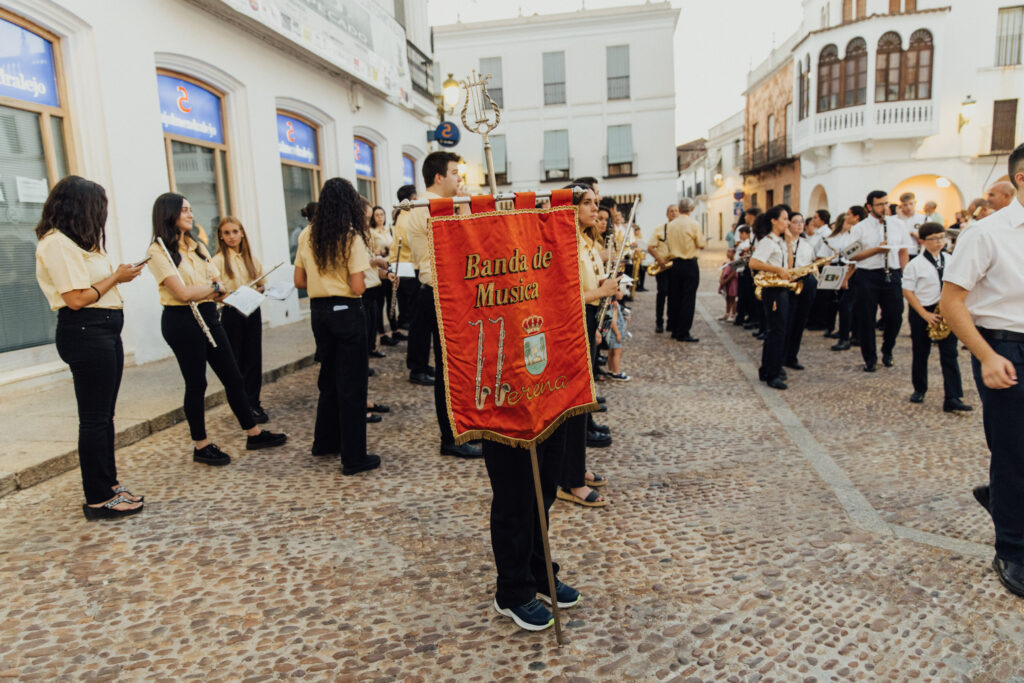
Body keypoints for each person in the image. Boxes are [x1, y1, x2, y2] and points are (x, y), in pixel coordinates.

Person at [34, 176, 146, 519]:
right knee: (95, 419)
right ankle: (97, 499)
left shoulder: (78, 244)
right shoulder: (56, 244)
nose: (102, 217)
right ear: (78, 208)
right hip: (85, 331)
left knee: (104, 416)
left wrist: (114, 275)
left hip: (103, 331)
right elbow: (77, 298)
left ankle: (108, 484)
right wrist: (116, 277)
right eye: (98, 209)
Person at [941, 143, 1024, 599]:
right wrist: (988, 357)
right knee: (1014, 452)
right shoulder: (986, 234)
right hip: (1006, 348)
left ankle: (1002, 500)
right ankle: (1012, 549)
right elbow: (951, 303)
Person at [148, 193, 287, 466]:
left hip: (210, 315)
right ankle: (201, 445)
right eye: (184, 210)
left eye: (190, 209)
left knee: (234, 377)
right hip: (182, 321)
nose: (190, 214)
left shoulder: (197, 246)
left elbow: (219, 286)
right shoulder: (158, 250)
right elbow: (183, 292)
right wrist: (211, 289)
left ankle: (253, 433)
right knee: (196, 383)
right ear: (169, 214)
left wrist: (215, 290)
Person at [293, 177, 379, 475]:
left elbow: (299, 281)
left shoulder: (308, 234)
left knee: (328, 379)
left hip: (319, 313)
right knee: (352, 385)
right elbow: (357, 287)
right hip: (347, 312)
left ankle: (325, 442)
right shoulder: (351, 237)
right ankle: (354, 457)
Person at [405, 151, 482, 458]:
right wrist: (464, 207)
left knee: (457, 367)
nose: (459, 179)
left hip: (450, 292)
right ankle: (451, 437)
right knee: (449, 370)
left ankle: (463, 428)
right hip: (438, 292)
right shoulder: (427, 208)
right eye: (454, 173)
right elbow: (465, 242)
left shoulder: (438, 206)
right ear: (439, 177)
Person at [558, 184, 620, 507]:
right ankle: (568, 481)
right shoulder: (565, 243)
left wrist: (606, 290)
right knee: (575, 404)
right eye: (588, 203)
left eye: (596, 203)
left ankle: (575, 468)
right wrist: (599, 292)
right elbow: (563, 297)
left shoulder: (584, 239)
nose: (596, 209)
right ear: (571, 207)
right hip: (573, 322)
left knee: (583, 402)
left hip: (587, 320)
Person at [485, 424, 580, 632]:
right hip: (507, 407)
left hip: (547, 400)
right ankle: (513, 590)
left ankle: (539, 572)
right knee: (514, 496)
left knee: (543, 493)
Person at [901, 223, 971, 411]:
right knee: (921, 352)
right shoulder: (914, 264)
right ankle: (920, 389)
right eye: (934, 239)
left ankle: (953, 397)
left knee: (950, 354)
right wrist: (925, 314)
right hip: (923, 310)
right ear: (922, 241)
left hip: (946, 310)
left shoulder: (950, 259)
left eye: (942, 237)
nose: (940, 242)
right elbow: (907, 291)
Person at [847, 190, 910, 372]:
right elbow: (851, 255)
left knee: (895, 315)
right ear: (869, 207)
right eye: (879, 204)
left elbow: (903, 251)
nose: (884, 207)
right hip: (867, 275)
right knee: (866, 318)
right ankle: (870, 358)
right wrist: (875, 250)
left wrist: (904, 273)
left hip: (892, 273)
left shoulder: (898, 224)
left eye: (886, 203)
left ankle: (887, 350)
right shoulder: (860, 228)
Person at [212, 216, 267, 423]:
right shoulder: (217, 261)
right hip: (232, 314)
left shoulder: (250, 258)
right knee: (237, 360)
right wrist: (234, 297)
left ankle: (254, 403)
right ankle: (243, 406)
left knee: (254, 358)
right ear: (221, 236)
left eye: (235, 231)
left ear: (242, 233)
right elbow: (215, 292)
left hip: (252, 311)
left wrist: (259, 289)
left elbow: (262, 282)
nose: (232, 236)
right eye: (227, 233)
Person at [748, 205, 792, 390]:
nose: (787, 222)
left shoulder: (780, 242)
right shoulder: (767, 242)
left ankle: (768, 368)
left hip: (780, 288)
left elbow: (788, 267)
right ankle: (772, 374)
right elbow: (754, 262)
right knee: (777, 331)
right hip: (772, 291)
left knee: (779, 329)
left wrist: (789, 244)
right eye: (784, 219)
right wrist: (776, 269)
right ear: (774, 221)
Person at [665, 197, 706, 343]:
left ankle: (675, 329)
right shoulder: (693, 224)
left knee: (675, 298)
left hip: (675, 264)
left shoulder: (671, 225)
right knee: (688, 299)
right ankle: (683, 331)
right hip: (689, 263)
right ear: (692, 209)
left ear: (679, 208)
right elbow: (701, 244)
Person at [784, 212, 817, 371]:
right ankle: (781, 356)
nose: (799, 225)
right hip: (788, 282)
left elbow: (811, 262)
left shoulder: (807, 244)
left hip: (805, 282)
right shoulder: (782, 243)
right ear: (789, 224)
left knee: (800, 321)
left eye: (801, 222)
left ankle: (792, 356)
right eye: (795, 222)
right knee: (787, 321)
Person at [827, 208, 863, 351]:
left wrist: (846, 278)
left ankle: (845, 338)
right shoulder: (851, 233)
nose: (846, 216)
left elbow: (853, 259)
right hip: (847, 269)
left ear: (856, 217)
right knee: (849, 305)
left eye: (849, 214)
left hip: (854, 272)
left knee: (846, 305)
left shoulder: (857, 233)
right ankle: (854, 335)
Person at [391, 185, 419, 336]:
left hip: (405, 264)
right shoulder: (407, 218)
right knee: (413, 309)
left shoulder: (401, 215)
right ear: (413, 198)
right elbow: (412, 242)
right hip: (409, 265)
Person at [647, 203, 678, 333]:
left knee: (674, 295)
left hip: (675, 266)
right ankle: (659, 322)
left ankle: (671, 322)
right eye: (671, 211)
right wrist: (660, 259)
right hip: (662, 266)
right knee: (662, 293)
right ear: (667, 214)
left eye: (676, 211)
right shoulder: (659, 229)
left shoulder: (681, 230)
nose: (674, 213)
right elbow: (650, 247)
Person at [735, 207, 763, 329]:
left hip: (756, 264)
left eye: (746, 215)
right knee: (748, 294)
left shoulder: (757, 230)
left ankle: (756, 319)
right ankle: (752, 317)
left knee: (753, 294)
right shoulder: (752, 230)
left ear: (752, 216)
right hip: (750, 264)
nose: (745, 217)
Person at [718, 247, 739, 322]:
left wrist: (726, 280)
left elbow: (733, 273)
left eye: (729, 252)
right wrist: (721, 279)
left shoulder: (735, 263)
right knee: (727, 298)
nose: (728, 254)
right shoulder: (726, 263)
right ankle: (727, 313)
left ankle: (733, 314)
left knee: (732, 298)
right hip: (727, 283)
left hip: (732, 283)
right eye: (727, 252)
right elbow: (723, 272)